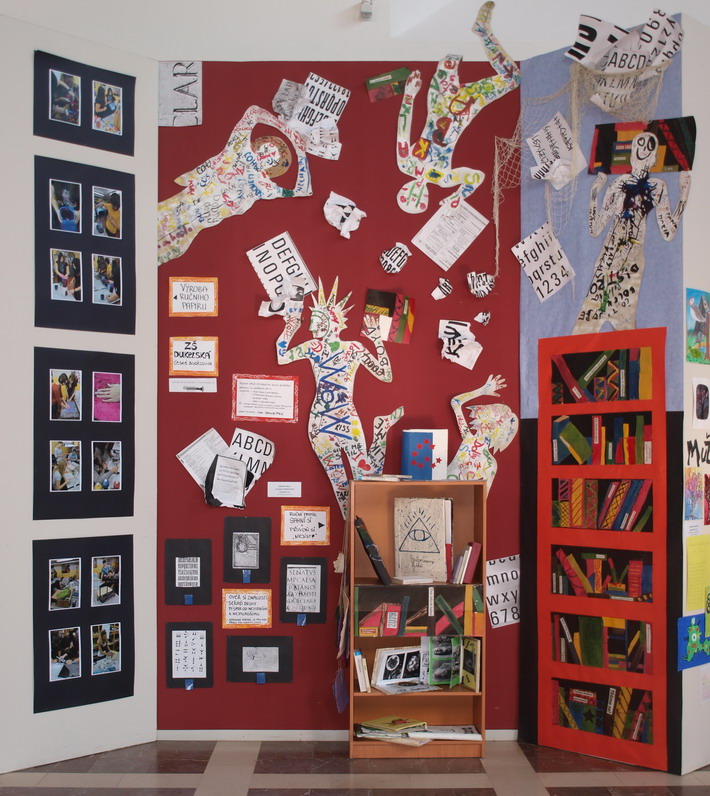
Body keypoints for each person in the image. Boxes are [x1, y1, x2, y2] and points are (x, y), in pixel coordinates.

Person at [272, 278, 403, 516]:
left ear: (329, 321)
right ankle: (381, 430)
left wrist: (376, 340)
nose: (311, 329)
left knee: (365, 479)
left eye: (315, 321)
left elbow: (386, 375)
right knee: (342, 489)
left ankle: (380, 431)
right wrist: (291, 326)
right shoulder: (315, 346)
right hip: (321, 424)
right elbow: (282, 356)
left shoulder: (353, 348)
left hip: (340, 421)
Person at [395, 1, 519, 213]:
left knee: (450, 55)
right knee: (512, 78)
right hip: (467, 107)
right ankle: (483, 32)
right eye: (417, 200)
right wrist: (459, 196)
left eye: (408, 196)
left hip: (441, 101)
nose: (415, 193)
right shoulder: (444, 178)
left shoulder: (406, 163)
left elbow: (403, 130)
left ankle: (452, 11)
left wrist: (409, 95)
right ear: (425, 201)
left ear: (403, 190)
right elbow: (476, 176)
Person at [573, 132, 691, 333]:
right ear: (632, 152)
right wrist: (594, 193)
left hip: (631, 263)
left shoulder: (658, 187)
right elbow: (595, 228)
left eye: (649, 146)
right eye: (640, 144)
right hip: (608, 258)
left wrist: (683, 197)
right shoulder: (618, 184)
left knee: (625, 330)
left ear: (654, 157)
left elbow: (668, 232)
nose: (643, 149)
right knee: (585, 327)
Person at [447, 374, 519, 490]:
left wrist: (482, 391)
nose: (487, 425)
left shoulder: (490, 464)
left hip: (444, 494)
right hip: (432, 488)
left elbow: (481, 498)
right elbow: (455, 402)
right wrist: (482, 391)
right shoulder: (469, 439)